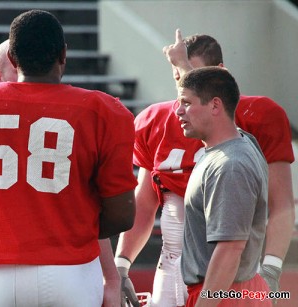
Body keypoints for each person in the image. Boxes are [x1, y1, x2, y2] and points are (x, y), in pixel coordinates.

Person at [0, 10, 136, 307]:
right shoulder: (103, 111)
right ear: (63, 55)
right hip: (71, 272)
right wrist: (72, 228)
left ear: (13, 60)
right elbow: (122, 215)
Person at [115, 30, 295, 306]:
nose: (182, 87)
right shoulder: (157, 120)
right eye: (178, 76)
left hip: (233, 274)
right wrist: (121, 263)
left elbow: (280, 206)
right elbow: (144, 203)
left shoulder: (247, 122)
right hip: (175, 267)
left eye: (191, 75)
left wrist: (270, 267)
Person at [0, 38, 123, 307]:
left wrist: (111, 277)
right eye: (18, 68)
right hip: (47, 270)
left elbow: (90, 209)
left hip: (4, 272)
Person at [177, 66, 270, 306]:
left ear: (216, 105)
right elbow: (211, 91)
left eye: (186, 103)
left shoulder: (230, 166)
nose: (178, 111)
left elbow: (230, 250)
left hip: (225, 293)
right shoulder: (239, 140)